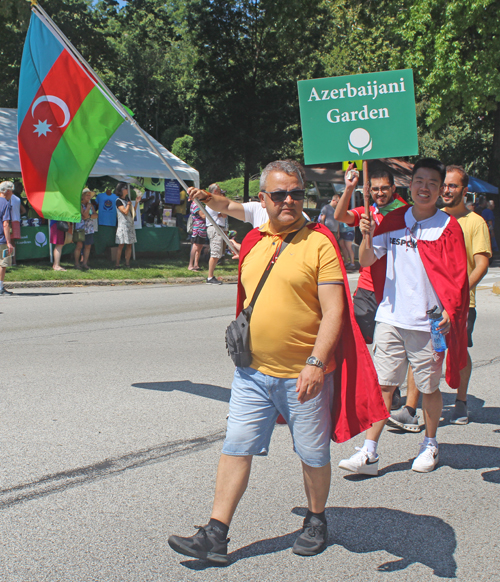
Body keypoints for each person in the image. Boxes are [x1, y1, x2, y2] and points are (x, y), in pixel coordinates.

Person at [168, 160, 387, 565]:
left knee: (312, 454)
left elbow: (335, 311)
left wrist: (317, 363)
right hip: (252, 373)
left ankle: (317, 519)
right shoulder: (253, 241)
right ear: (264, 199)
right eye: (281, 194)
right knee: (236, 447)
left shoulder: (320, 242)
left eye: (297, 193)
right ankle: (215, 534)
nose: (290, 201)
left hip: (304, 376)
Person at [339, 158, 468, 475]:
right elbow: (367, 260)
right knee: (383, 386)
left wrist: (451, 313)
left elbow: (457, 277)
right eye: (420, 181)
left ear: (439, 190)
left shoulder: (448, 227)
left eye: (432, 184)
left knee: (428, 389)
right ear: (410, 186)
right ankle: (369, 452)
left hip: (428, 324)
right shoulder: (395, 219)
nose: (425, 188)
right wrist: (367, 235)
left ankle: (430, 443)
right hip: (390, 318)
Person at [390, 165, 491, 428]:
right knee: (420, 354)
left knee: (458, 352)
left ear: (464, 190)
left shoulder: (474, 222)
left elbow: (481, 264)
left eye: (453, 186)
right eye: (444, 185)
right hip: (429, 305)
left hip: (460, 304)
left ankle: (460, 402)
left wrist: (455, 296)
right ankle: (410, 409)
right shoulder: (432, 216)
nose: (447, 190)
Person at [205, 184, 229, 284]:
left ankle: (211, 276)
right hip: (215, 228)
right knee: (215, 253)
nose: (221, 193)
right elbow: (224, 214)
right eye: (219, 191)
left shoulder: (211, 201)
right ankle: (210, 277)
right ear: (215, 192)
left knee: (216, 253)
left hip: (216, 227)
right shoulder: (213, 202)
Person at [115, 183, 141, 268]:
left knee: (129, 244)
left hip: (130, 225)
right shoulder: (118, 201)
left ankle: (127, 263)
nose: (127, 189)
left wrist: (136, 202)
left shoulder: (127, 199)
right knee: (121, 245)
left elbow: (132, 212)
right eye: (125, 188)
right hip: (123, 226)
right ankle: (117, 263)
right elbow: (125, 212)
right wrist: (129, 204)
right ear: (121, 190)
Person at [73, 188, 97, 270]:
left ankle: (85, 263)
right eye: (87, 195)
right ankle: (76, 263)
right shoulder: (79, 205)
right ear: (83, 196)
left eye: (89, 195)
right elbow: (84, 215)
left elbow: (96, 215)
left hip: (89, 228)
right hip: (81, 228)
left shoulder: (91, 205)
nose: (89, 196)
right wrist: (88, 208)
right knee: (79, 246)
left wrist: (90, 215)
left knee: (88, 246)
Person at [0, 181, 14, 295]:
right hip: (1, 239)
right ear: (8, 191)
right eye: (12, 191)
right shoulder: (6, 203)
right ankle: (0, 287)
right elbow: (5, 224)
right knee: (2, 263)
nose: (12, 194)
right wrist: (9, 242)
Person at [188, 198, 207, 271]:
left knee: (200, 247)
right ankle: (190, 265)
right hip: (198, 229)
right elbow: (203, 216)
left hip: (202, 229)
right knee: (195, 246)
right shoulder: (196, 205)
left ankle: (196, 264)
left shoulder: (199, 204)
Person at [10, 183, 26, 265]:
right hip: (16, 221)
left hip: (8, 222)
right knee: (12, 242)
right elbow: (24, 211)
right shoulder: (17, 199)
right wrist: (17, 214)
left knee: (5, 242)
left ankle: (6, 261)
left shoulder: (5, 198)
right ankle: (14, 261)